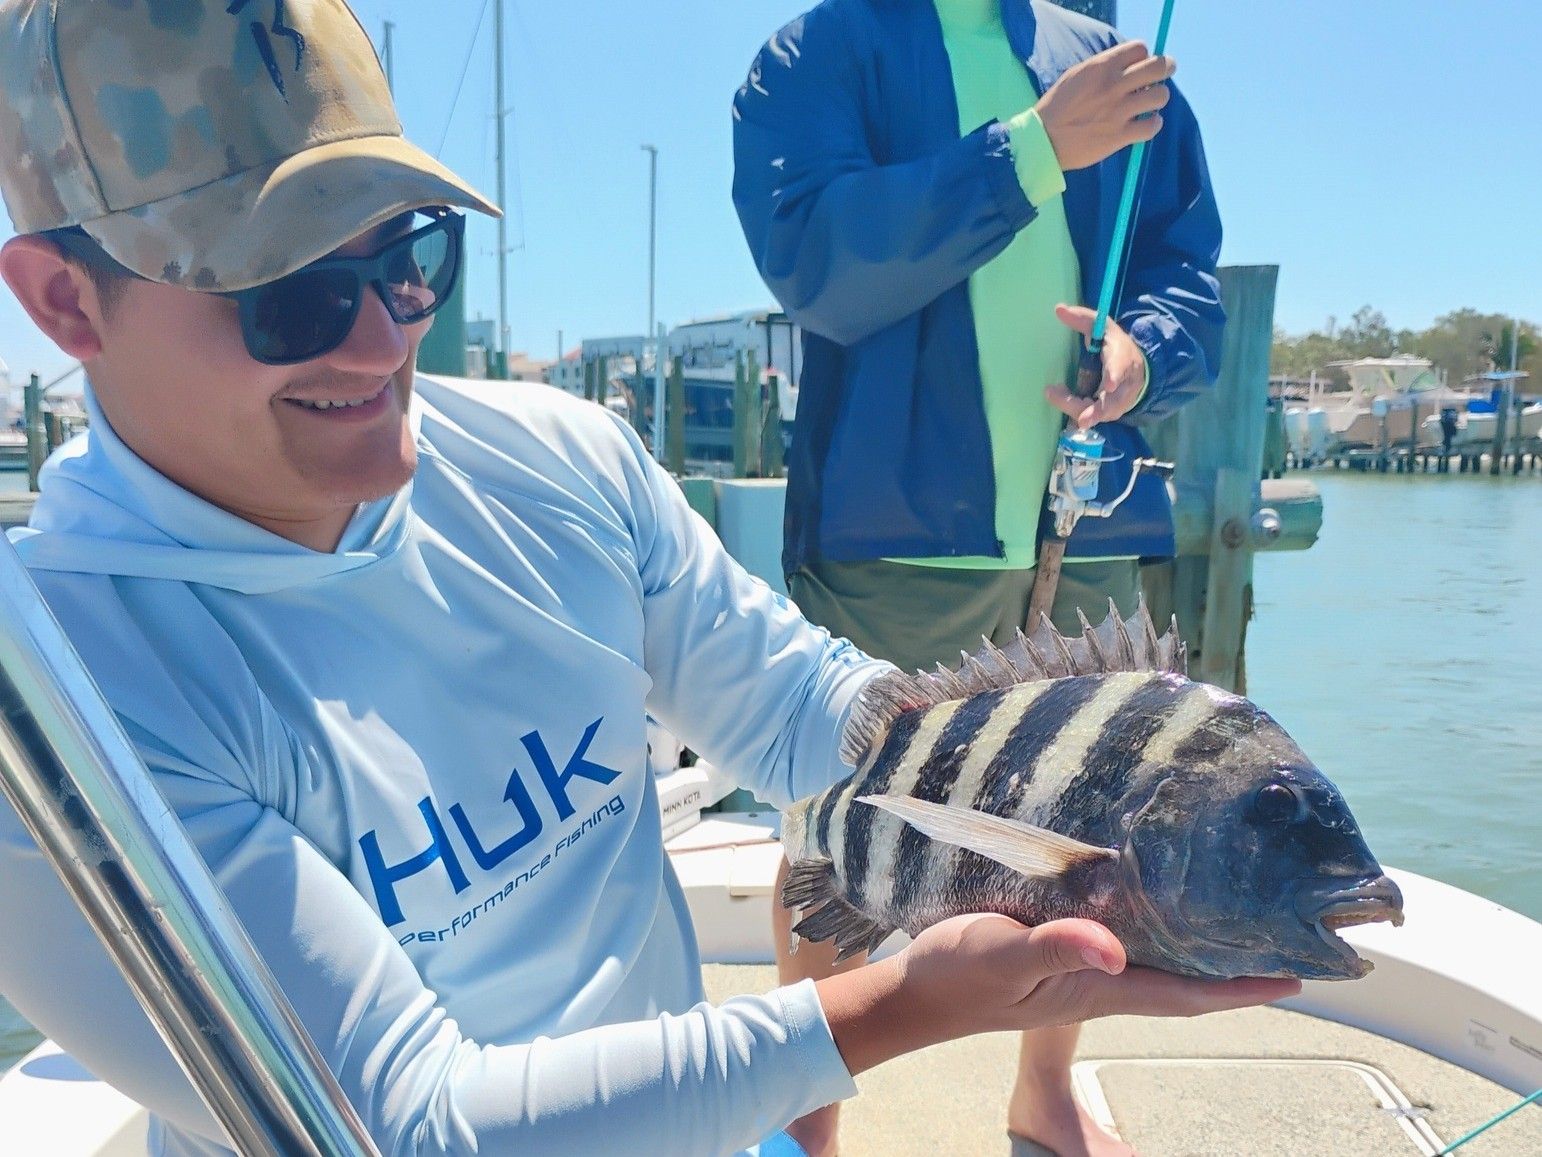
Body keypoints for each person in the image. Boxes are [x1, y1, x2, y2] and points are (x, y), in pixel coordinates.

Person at [0, 2, 1294, 1155]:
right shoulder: (51, 708)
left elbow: (803, 711)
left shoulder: (556, 456)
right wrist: (906, 1000)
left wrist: (1079, 793)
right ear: (63, 300)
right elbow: (407, 1122)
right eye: (285, 287)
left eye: (405, 254)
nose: (380, 330)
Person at [731, 2, 1226, 1154]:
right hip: (896, 537)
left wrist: (1141, 349)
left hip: (1091, 520)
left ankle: (1046, 1087)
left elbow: (1184, 268)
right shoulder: (821, 52)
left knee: (1090, 834)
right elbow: (818, 262)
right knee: (833, 833)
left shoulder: (1106, 54)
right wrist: (1036, 148)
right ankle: (810, 1129)